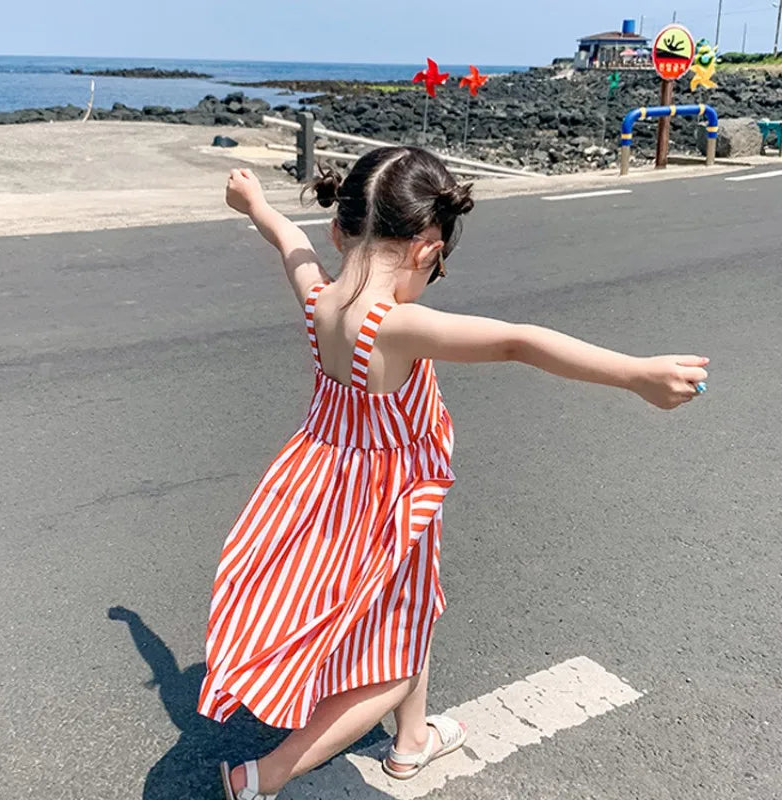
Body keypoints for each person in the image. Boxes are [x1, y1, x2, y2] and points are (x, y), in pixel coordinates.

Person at [198, 146, 709, 800]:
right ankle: (263, 775)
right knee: (398, 657)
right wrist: (636, 374)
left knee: (411, 616)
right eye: (438, 260)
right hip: (388, 507)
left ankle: (411, 742)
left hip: (323, 492)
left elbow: (288, 242)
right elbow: (517, 341)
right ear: (425, 248)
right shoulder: (394, 325)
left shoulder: (322, 301)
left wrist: (256, 202)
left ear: (340, 230)